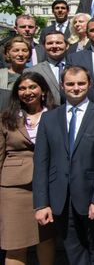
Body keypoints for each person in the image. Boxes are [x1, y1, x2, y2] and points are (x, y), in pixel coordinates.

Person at [33, 65, 94, 265]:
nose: (75, 88)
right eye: (70, 84)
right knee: (74, 252)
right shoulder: (48, 118)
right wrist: (41, 203)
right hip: (61, 198)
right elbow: (41, 163)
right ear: (62, 86)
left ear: (89, 84)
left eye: (80, 83)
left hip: (91, 197)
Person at [1, 72, 56, 265]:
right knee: (15, 243)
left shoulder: (56, 114)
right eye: (22, 88)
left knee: (46, 239)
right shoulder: (6, 118)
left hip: (48, 185)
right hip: (14, 188)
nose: (27, 92)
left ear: (42, 90)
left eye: (32, 87)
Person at [25, 31, 68, 106]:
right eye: (50, 43)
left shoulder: (77, 66)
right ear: (44, 46)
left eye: (58, 43)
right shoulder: (33, 71)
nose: (54, 46)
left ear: (67, 46)